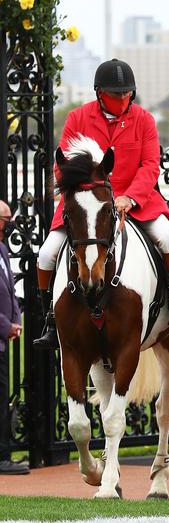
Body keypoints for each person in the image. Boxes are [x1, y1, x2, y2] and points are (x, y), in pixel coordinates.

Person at [33, 58, 169, 349]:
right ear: (99, 93)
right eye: (115, 94)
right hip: (88, 203)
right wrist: (81, 190)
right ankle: (49, 319)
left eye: (126, 94)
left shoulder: (145, 119)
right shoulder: (77, 118)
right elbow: (62, 168)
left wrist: (131, 196)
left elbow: (150, 165)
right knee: (46, 255)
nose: (122, 99)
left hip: (136, 200)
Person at [0, 201, 29, 474]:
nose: (10, 225)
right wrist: (5, 325)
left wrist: (16, 320)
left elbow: (9, 291)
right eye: (7, 220)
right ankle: (1, 456)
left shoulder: (3, 249)